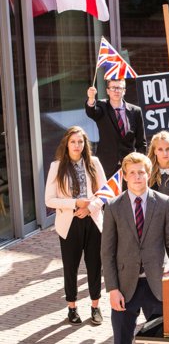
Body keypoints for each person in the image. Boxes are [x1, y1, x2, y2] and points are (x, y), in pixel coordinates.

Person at [101, 152, 169, 344]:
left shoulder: (164, 203)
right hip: (124, 287)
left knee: (160, 340)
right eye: (131, 172)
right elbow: (107, 252)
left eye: (141, 172)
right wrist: (112, 289)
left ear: (149, 173)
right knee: (122, 340)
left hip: (156, 284)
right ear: (124, 176)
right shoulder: (113, 207)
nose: (137, 177)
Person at [45, 126, 107, 325]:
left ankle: (96, 307)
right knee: (70, 268)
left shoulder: (94, 163)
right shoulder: (57, 166)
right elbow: (49, 200)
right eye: (73, 141)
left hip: (93, 221)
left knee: (95, 266)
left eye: (80, 142)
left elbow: (106, 192)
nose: (77, 145)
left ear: (85, 144)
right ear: (66, 143)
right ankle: (72, 308)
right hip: (69, 223)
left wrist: (89, 208)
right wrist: (75, 204)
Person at [85, 78, 147, 179]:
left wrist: (139, 164)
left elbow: (141, 143)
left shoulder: (135, 111)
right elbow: (92, 112)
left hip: (129, 167)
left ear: (124, 91)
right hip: (106, 166)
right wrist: (91, 99)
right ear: (107, 91)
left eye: (119, 88)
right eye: (113, 88)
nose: (116, 91)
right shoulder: (102, 106)